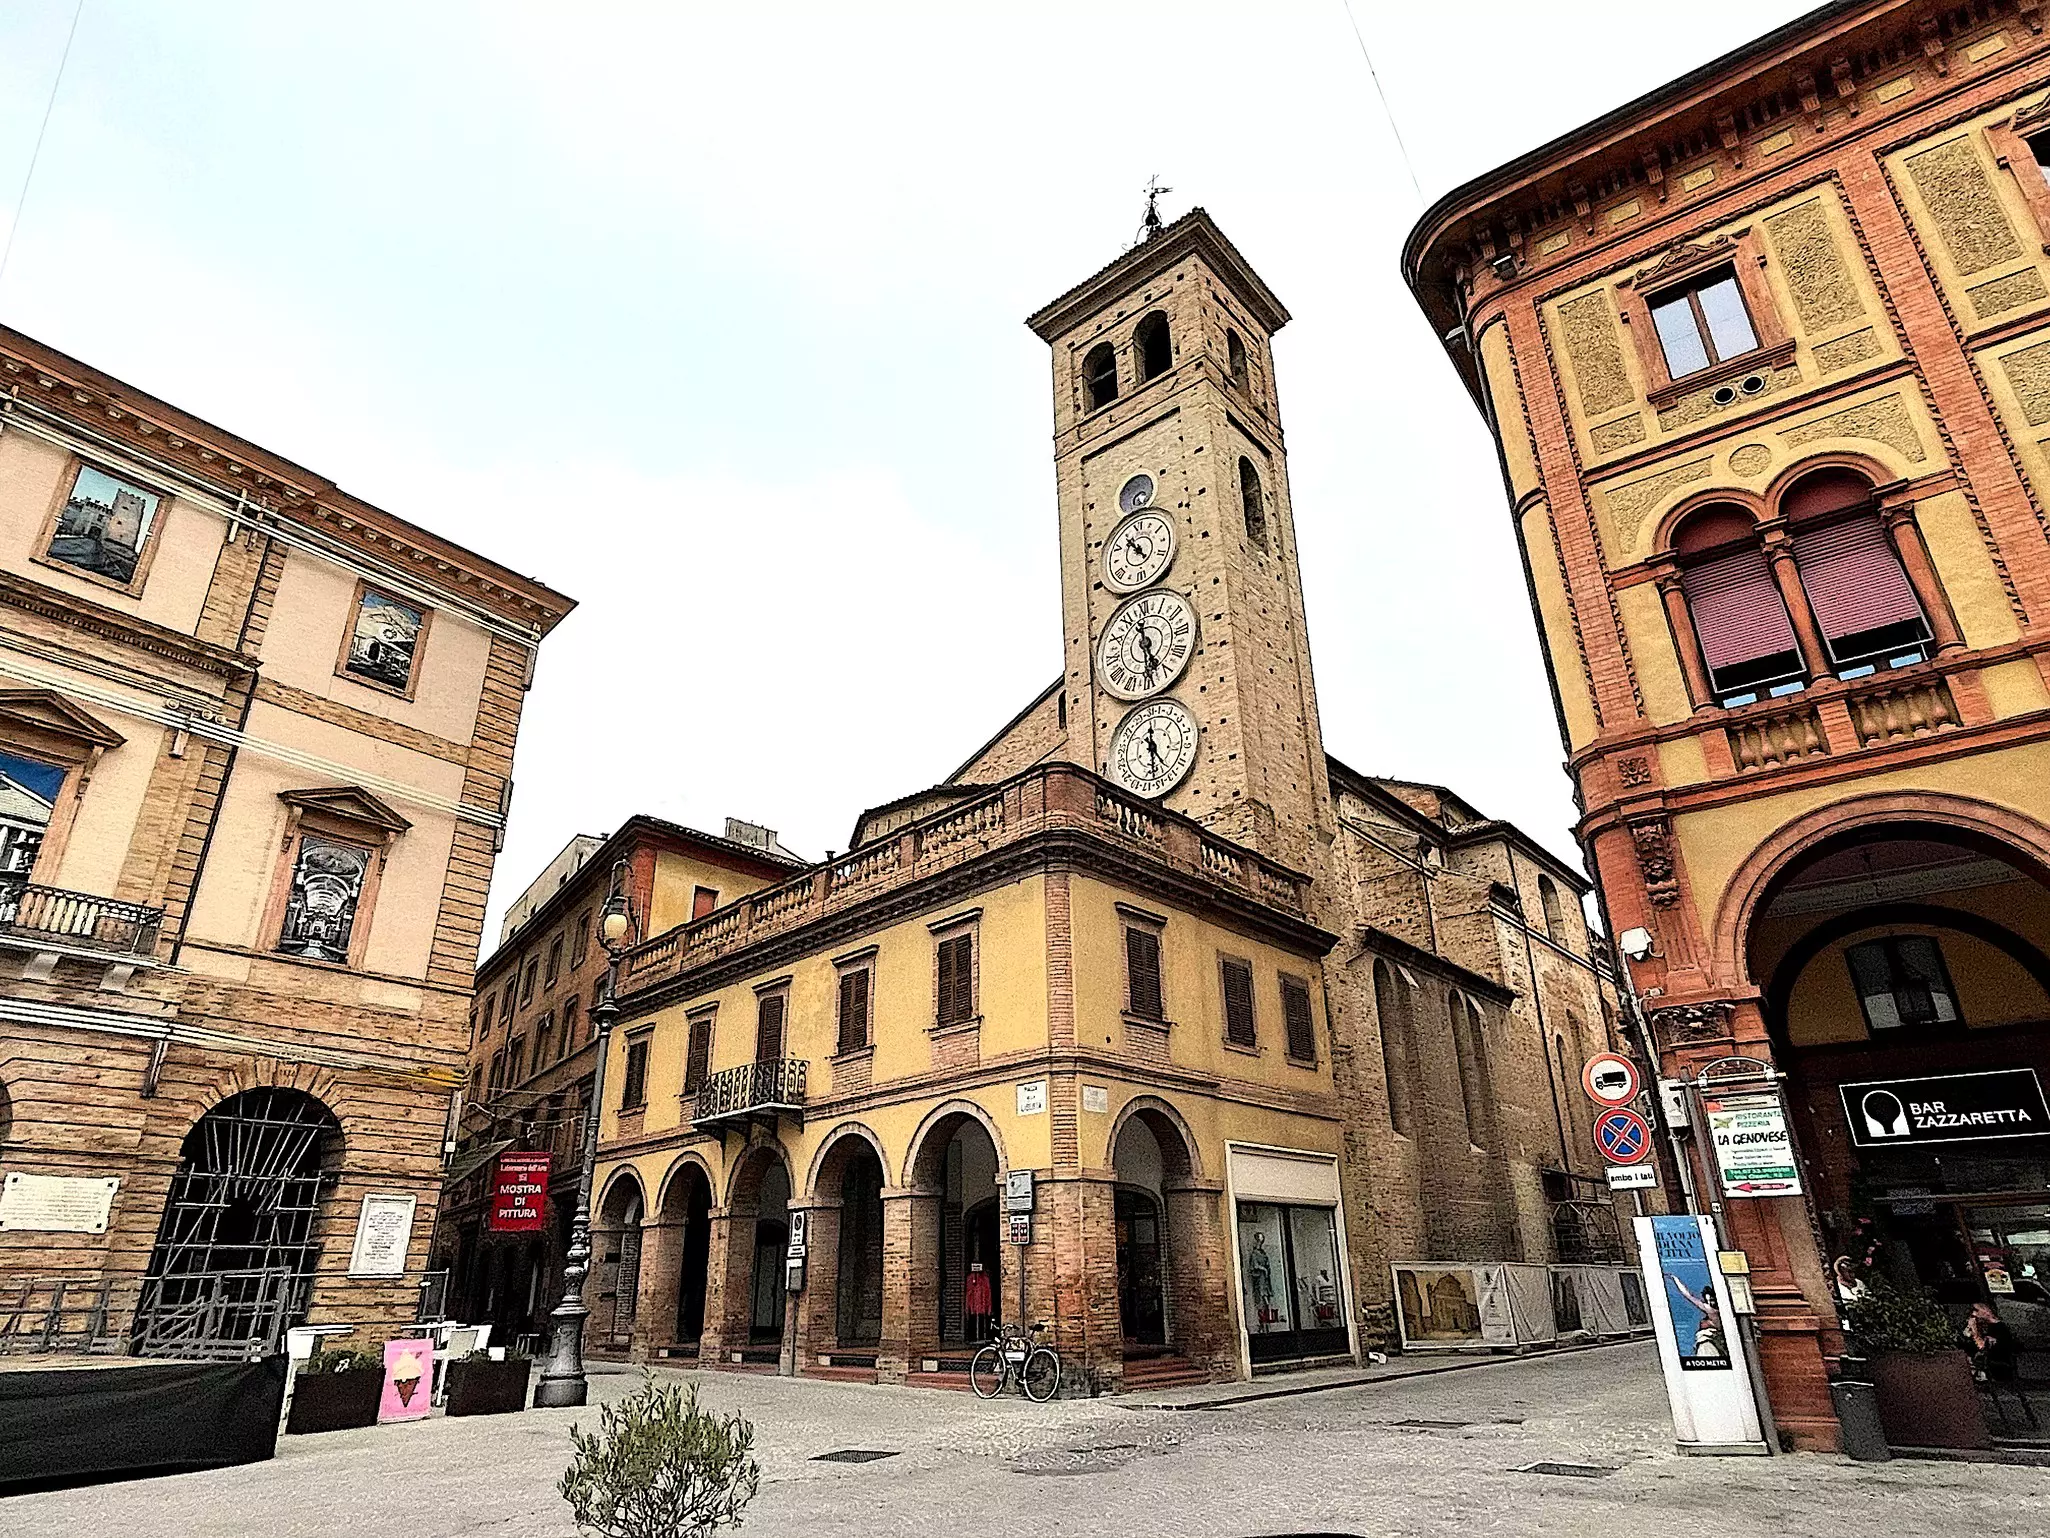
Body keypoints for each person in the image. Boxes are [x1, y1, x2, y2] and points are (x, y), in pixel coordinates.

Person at [1666, 1274, 1726, 1362]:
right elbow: (1688, 1295)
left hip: (1713, 1343)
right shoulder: (1708, 1308)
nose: (1710, 1303)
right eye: (1708, 1301)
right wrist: (1675, 1279)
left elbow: (1688, 1295)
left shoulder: (1713, 1311)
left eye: (1712, 1300)